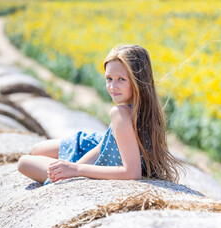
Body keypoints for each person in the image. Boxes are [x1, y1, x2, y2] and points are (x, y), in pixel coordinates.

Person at [17, 44, 186, 185]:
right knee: (37, 149)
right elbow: (101, 149)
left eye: (121, 79)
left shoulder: (120, 113)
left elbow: (132, 173)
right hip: (98, 145)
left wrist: (75, 170)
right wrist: (72, 167)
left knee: (24, 161)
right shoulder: (149, 110)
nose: (113, 86)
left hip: (104, 155)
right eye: (109, 79)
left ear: (137, 81)